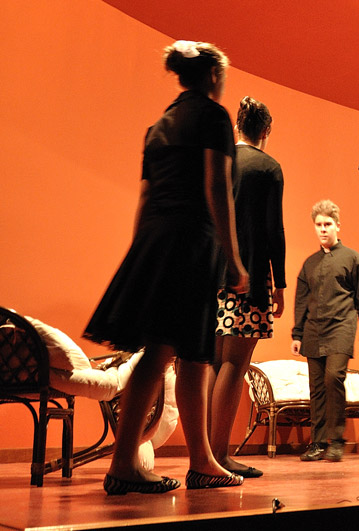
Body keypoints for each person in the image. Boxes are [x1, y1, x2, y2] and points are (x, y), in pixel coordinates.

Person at [84, 40, 248, 494]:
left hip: (157, 241)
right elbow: (216, 187)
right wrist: (234, 258)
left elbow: (145, 197)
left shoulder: (157, 128)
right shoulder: (214, 116)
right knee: (164, 352)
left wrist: (142, 254)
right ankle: (123, 464)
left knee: (191, 355)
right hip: (191, 243)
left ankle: (201, 461)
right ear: (213, 76)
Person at [208, 96, 286, 478]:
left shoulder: (219, 159)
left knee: (212, 363)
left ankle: (204, 455)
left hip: (211, 275)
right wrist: (279, 285)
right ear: (266, 131)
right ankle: (219, 457)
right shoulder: (268, 167)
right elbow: (274, 231)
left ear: (238, 126)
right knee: (235, 364)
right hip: (248, 276)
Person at [291, 200, 359, 462]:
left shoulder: (352, 258)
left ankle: (337, 440)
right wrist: (297, 334)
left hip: (341, 326)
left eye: (327, 224)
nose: (323, 229)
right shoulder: (309, 263)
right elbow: (301, 301)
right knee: (316, 387)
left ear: (338, 226)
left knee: (333, 378)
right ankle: (318, 443)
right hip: (313, 330)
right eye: (318, 225)